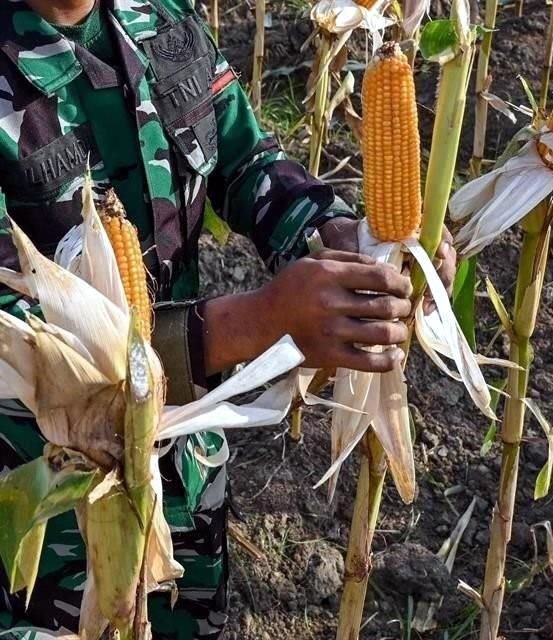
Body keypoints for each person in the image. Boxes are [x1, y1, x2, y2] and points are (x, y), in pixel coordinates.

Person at [0, 0, 456, 637]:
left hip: (186, 459)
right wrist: (259, 322)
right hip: (49, 500)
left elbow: (248, 165)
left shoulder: (159, 17)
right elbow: (15, 334)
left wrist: (338, 236)